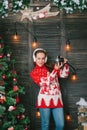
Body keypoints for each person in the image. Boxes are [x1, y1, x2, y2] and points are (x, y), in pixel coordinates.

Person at [30, 48, 70, 130]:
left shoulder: (51, 67)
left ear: (45, 59)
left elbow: (64, 75)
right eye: (38, 58)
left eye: (43, 58)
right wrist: (55, 70)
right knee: (45, 125)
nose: (41, 61)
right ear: (35, 59)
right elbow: (45, 83)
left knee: (60, 125)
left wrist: (65, 64)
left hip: (57, 100)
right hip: (44, 101)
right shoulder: (34, 72)